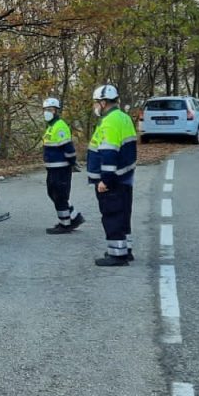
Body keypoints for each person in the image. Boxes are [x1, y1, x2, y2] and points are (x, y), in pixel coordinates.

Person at [85, 84, 138, 266]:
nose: (95, 106)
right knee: (123, 214)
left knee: (112, 214)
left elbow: (109, 152)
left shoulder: (109, 121)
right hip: (125, 176)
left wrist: (105, 180)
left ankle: (117, 255)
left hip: (112, 178)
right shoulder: (124, 118)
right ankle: (125, 249)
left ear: (103, 102)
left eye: (96, 103)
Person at [42, 97, 85, 235]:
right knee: (53, 193)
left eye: (49, 110)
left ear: (55, 111)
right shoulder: (51, 127)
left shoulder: (60, 126)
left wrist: (73, 163)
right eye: (45, 110)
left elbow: (68, 147)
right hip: (52, 167)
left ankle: (65, 224)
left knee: (60, 195)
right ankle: (73, 217)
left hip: (61, 167)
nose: (46, 112)